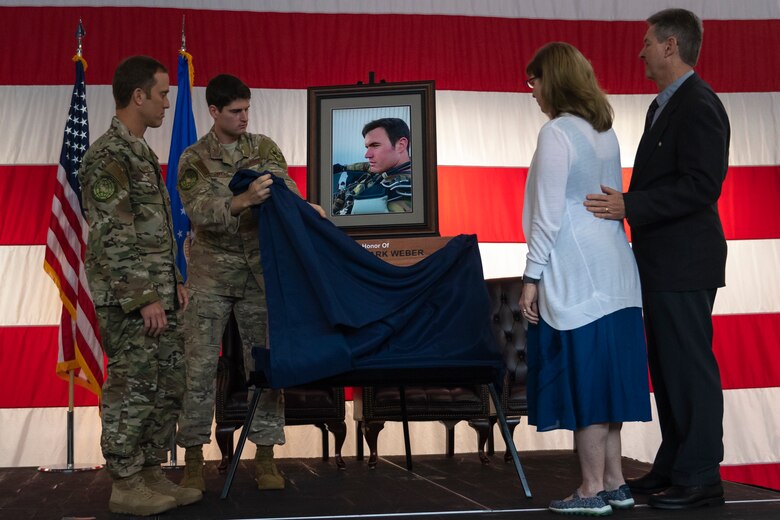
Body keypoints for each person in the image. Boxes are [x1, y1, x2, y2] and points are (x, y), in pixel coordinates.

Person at [584, 8, 729, 510]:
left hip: (686, 262)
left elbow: (702, 185)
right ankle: (675, 464)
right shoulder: (664, 106)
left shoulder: (699, 103)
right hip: (664, 262)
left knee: (689, 367)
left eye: (647, 42)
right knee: (668, 367)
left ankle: (702, 476)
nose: (640, 51)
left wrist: (632, 205)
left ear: (671, 45)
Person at [175, 74, 325, 492]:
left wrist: (307, 208)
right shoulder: (193, 158)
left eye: (247, 109)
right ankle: (192, 459)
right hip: (210, 276)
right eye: (235, 111)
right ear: (214, 111)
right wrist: (242, 201)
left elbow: (285, 190)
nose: (244, 118)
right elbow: (198, 210)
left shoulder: (263, 148)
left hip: (259, 274)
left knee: (263, 366)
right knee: (198, 369)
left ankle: (265, 456)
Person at [519, 42, 651, 516]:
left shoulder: (557, 132)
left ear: (553, 80)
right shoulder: (604, 130)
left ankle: (591, 489)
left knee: (590, 383)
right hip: (617, 270)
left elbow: (548, 215)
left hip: (579, 275)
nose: (531, 90)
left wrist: (531, 275)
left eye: (534, 80)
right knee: (610, 383)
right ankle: (615, 482)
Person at [79, 55, 202, 516]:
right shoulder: (108, 156)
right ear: (138, 96)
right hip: (131, 301)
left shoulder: (140, 152)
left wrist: (174, 282)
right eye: (163, 94)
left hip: (158, 294)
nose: (167, 103)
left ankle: (150, 471)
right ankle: (126, 482)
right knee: (133, 387)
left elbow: (152, 231)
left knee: (165, 385)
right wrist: (145, 297)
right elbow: (113, 235)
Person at [331, 117, 412, 214]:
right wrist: (343, 167)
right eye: (367, 147)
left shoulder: (401, 191)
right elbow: (365, 166)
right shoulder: (385, 167)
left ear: (401, 145)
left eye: (375, 145)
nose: (367, 155)